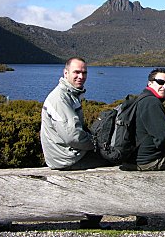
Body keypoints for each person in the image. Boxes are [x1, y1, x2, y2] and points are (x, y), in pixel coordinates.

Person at [40, 57, 110, 228]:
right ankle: (91, 222)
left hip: (66, 152)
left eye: (84, 72)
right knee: (110, 164)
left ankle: (90, 219)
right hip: (65, 157)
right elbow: (73, 137)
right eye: (76, 72)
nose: (81, 76)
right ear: (66, 73)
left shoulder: (70, 94)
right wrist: (95, 145)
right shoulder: (60, 98)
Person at [119, 68, 165, 171]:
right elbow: (163, 138)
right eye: (160, 82)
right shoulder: (152, 102)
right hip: (147, 161)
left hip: (133, 159)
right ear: (150, 83)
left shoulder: (142, 98)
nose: (164, 86)